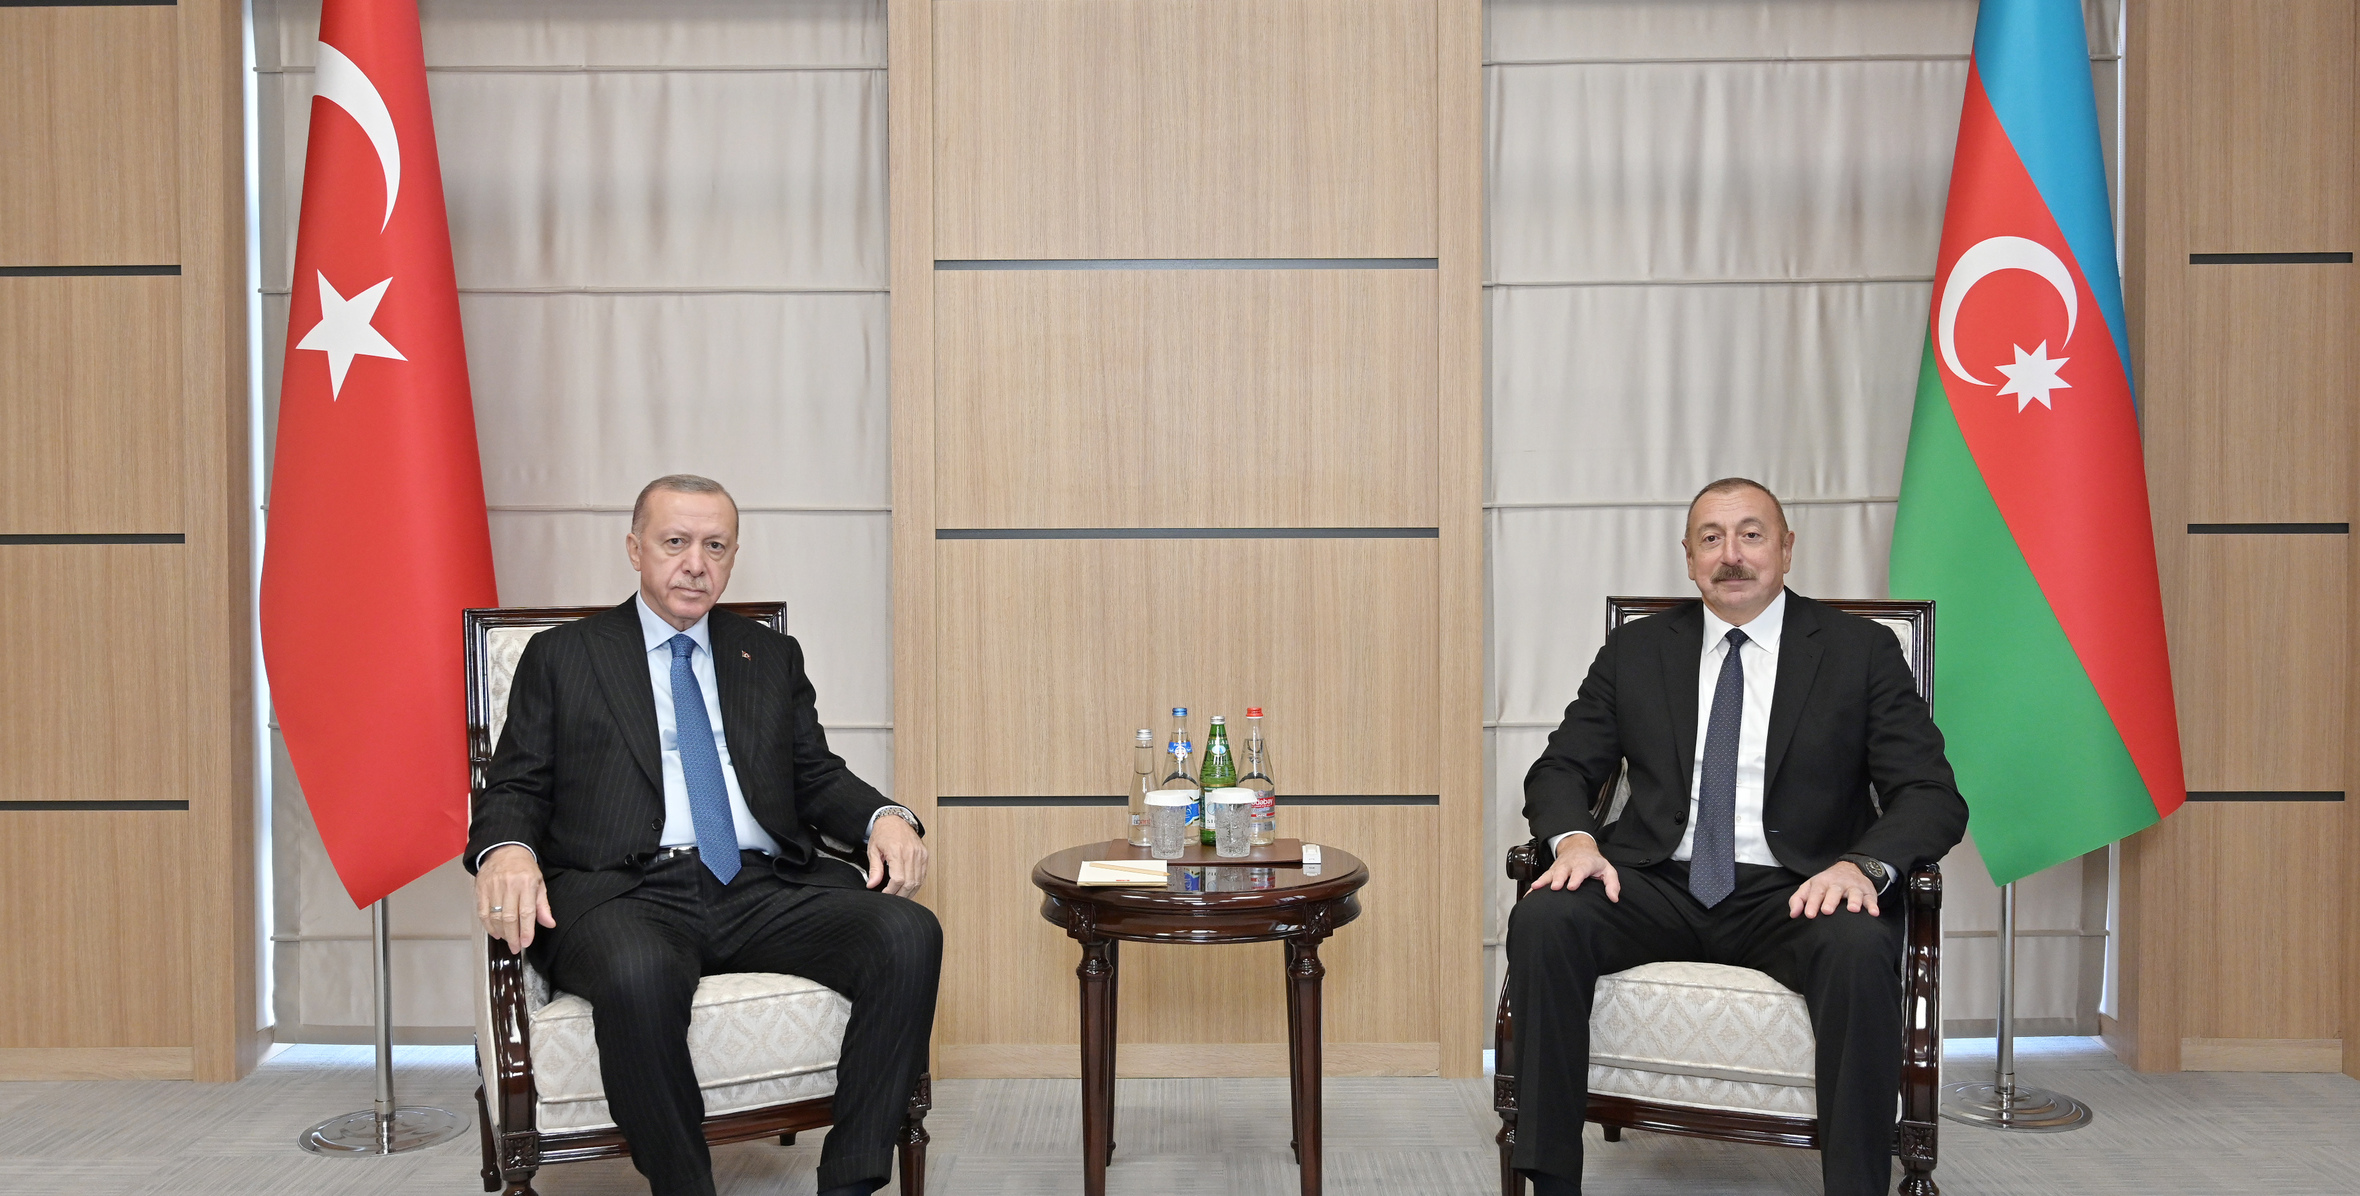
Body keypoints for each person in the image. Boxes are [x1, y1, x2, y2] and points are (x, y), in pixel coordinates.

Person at [469, 474, 939, 1196]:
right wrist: (506, 848)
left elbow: (815, 775)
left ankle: (850, 1178)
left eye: (715, 547)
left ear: (733, 556)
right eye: (676, 542)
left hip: (759, 885)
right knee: (640, 974)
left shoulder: (768, 655)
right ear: (635, 549)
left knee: (907, 933)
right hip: (625, 894)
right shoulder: (564, 656)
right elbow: (515, 785)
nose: (696, 564)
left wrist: (886, 818)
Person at [1507, 477, 1968, 1196]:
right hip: (1658, 881)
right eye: (1711, 538)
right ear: (1689, 557)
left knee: (1858, 945)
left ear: (1786, 548)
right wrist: (1576, 843)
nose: (1732, 555)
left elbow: (1930, 793)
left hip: (1800, 889)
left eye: (1751, 535)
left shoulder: (1859, 651)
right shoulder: (1637, 650)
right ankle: (1551, 1181)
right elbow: (1562, 768)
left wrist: (1862, 866)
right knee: (1546, 918)